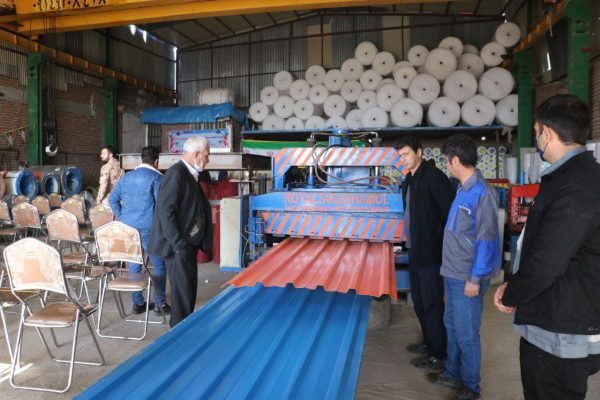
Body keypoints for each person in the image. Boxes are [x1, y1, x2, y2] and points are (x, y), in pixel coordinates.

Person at [494, 95, 600, 400]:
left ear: (548, 133)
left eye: (537, 132)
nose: (537, 140)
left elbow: (546, 262)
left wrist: (512, 293)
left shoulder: (575, 185)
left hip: (560, 331)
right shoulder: (580, 177)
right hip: (572, 317)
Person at [427, 134, 501, 400]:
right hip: (453, 271)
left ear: (455, 160)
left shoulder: (482, 192)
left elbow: (486, 240)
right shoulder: (462, 188)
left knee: (467, 333)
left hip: (467, 276)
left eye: (446, 160)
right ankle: (452, 372)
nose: (446, 164)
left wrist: (475, 278)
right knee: (452, 324)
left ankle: (471, 387)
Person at [395, 136, 454, 370]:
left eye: (406, 154)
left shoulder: (434, 177)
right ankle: (429, 343)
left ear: (419, 152)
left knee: (432, 304)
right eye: (400, 156)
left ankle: (439, 353)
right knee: (419, 302)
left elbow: (450, 215)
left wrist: (436, 241)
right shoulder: (409, 180)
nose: (402, 159)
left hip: (431, 253)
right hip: (414, 250)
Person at [148, 137, 213, 327]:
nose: (208, 160)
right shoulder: (176, 174)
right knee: (182, 298)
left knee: (188, 293)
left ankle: (184, 332)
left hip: (185, 246)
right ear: (196, 155)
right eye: (206, 155)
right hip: (177, 248)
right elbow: (164, 212)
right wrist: (179, 245)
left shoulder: (189, 175)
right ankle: (178, 336)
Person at [109, 146, 169, 316]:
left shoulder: (127, 177)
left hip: (130, 228)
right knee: (159, 265)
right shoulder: (157, 178)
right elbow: (162, 206)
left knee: (134, 264)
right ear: (156, 161)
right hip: (150, 229)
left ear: (142, 159)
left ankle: (138, 304)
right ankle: (159, 304)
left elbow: (112, 199)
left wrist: (122, 218)